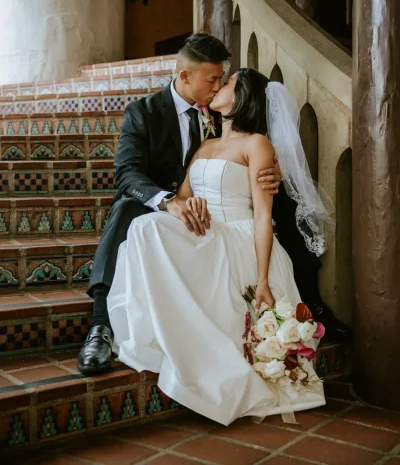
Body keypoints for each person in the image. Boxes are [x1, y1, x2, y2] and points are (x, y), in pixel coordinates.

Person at [77, 33, 349, 375]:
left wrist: (271, 170)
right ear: (184, 76)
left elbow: (240, 157)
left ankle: (309, 296)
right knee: (127, 210)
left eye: (223, 80)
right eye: (212, 79)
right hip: (165, 204)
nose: (217, 86)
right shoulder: (143, 113)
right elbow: (128, 174)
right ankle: (102, 324)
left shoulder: (221, 119)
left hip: (219, 211)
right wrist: (169, 202)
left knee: (281, 201)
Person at [107, 68, 327, 425]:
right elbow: (182, 198)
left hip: (239, 235)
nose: (219, 87)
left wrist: (264, 279)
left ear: (244, 98)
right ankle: (162, 330)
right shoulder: (205, 145)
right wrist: (190, 206)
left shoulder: (257, 144)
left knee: (148, 229)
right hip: (206, 230)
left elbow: (262, 217)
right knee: (145, 227)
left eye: (228, 83)